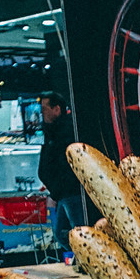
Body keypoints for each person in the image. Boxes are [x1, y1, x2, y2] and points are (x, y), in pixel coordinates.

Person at [37, 91, 82, 251]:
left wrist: (55, 191)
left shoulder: (65, 131)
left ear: (57, 109)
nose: (42, 112)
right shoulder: (52, 130)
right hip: (62, 192)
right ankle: (83, 259)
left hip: (69, 192)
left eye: (45, 108)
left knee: (77, 231)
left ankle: (86, 260)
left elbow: (63, 165)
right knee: (63, 234)